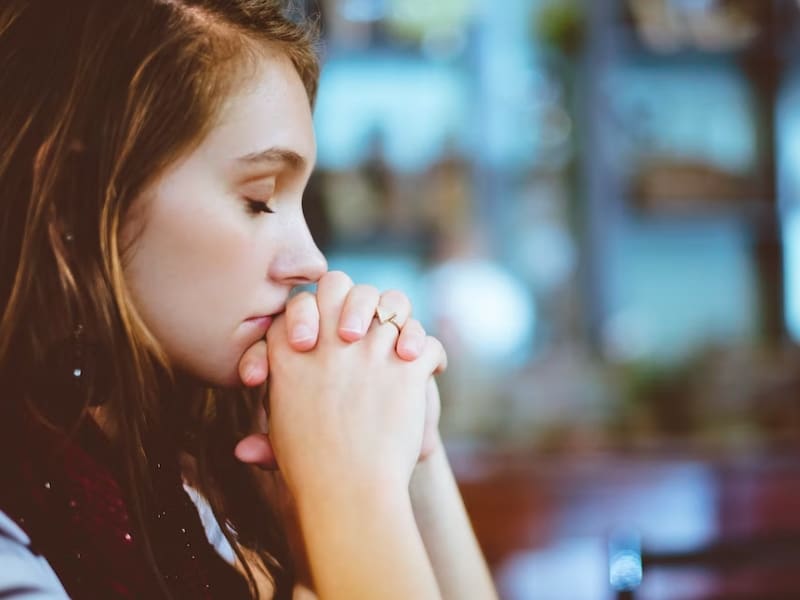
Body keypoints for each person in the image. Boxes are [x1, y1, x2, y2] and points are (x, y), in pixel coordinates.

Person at [0, 1, 498, 599]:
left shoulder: (203, 474)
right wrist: (350, 486)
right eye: (260, 199)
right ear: (76, 197)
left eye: (301, 201)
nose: (312, 260)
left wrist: (412, 449)